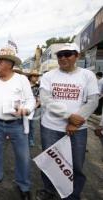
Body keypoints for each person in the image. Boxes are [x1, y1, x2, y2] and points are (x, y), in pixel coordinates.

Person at [35, 43, 99, 200]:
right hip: (50, 127)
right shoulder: (49, 76)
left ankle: (73, 194)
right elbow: (46, 100)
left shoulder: (87, 75)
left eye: (68, 54)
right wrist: (69, 116)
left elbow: (93, 101)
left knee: (76, 164)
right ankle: (49, 190)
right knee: (50, 161)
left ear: (77, 55)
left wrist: (74, 123)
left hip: (77, 129)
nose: (63, 58)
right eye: (60, 55)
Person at [0, 47, 35, 200]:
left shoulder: (21, 79)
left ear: (10, 64)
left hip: (16, 124)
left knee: (23, 157)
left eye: (0, 61)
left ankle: (24, 185)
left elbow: (31, 100)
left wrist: (26, 110)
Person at [26, 69, 41, 147]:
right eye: (35, 76)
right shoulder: (25, 86)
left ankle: (30, 139)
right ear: (30, 77)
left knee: (32, 125)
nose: (36, 78)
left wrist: (33, 107)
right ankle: (24, 139)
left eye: (37, 76)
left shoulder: (38, 87)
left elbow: (39, 100)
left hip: (34, 109)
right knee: (24, 124)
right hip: (25, 108)